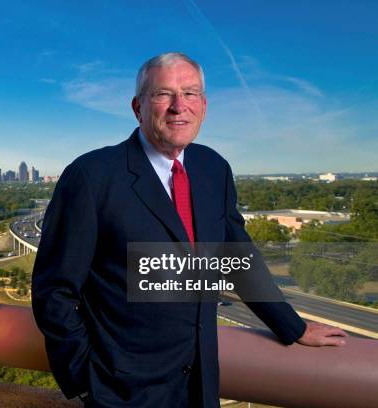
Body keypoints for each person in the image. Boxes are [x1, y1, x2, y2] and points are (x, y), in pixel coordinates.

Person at [31, 52, 347, 408]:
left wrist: (294, 327)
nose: (179, 106)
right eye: (163, 94)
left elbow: (237, 257)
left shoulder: (214, 168)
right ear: (138, 107)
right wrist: (85, 382)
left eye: (191, 93)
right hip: (120, 393)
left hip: (200, 386)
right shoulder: (91, 176)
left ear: (204, 106)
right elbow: (53, 291)